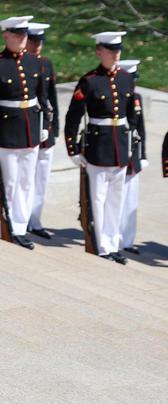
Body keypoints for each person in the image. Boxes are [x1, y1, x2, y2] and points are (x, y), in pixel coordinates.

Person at [0, 16, 49, 250]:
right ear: (6, 35)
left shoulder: (35, 63)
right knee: (9, 183)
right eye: (17, 35)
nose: (22, 39)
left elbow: (43, 98)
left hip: (31, 130)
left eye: (24, 34)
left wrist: (45, 126)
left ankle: (21, 226)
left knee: (26, 182)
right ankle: (7, 226)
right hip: (7, 133)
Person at [64, 32, 141, 264]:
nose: (116, 54)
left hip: (120, 146)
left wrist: (131, 140)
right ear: (99, 51)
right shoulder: (89, 81)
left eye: (118, 50)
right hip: (97, 147)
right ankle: (100, 245)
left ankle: (113, 243)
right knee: (97, 199)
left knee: (116, 199)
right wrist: (73, 148)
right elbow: (73, 117)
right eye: (110, 50)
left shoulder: (126, 78)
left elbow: (132, 114)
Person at [26, 22, 58, 239]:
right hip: (27, 128)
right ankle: (19, 218)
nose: (37, 45)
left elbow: (51, 98)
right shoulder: (20, 64)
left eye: (40, 42)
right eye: (33, 41)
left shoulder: (46, 64)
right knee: (24, 178)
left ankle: (35, 219)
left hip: (45, 128)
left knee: (41, 179)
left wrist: (54, 129)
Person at [118, 59, 146, 255]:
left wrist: (142, 154)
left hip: (132, 155)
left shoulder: (136, 98)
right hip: (115, 153)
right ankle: (113, 239)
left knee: (130, 200)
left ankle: (127, 240)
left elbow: (140, 128)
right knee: (114, 199)